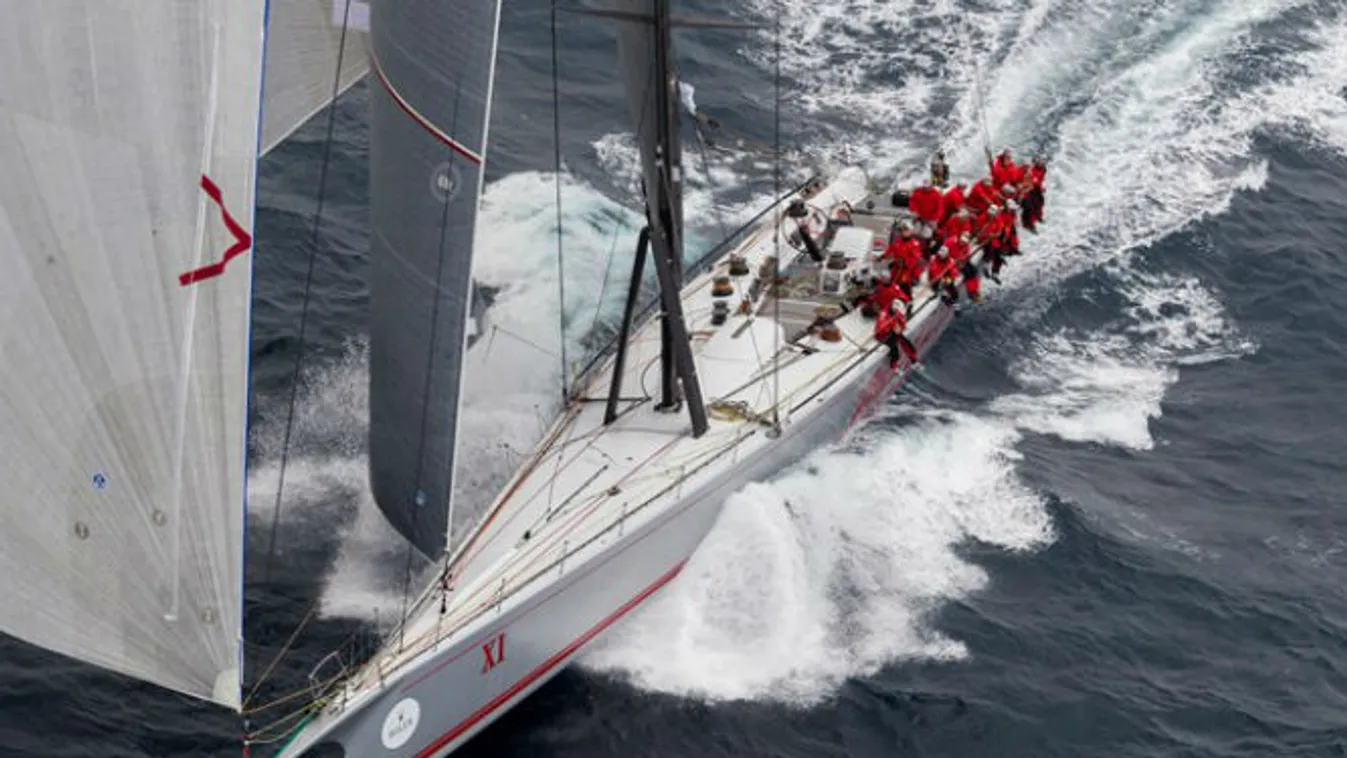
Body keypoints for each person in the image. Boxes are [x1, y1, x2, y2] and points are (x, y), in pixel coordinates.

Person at [874, 300, 918, 369]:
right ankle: (894, 366)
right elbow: (880, 329)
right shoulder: (884, 315)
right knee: (895, 350)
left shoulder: (896, 312)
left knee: (907, 344)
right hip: (884, 336)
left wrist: (899, 328)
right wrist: (892, 327)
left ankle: (914, 361)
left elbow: (901, 323)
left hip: (893, 332)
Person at [1020, 157, 1047, 231]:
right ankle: (1028, 223)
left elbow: (1039, 180)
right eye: (1038, 162)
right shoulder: (1031, 170)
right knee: (1029, 205)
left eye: (1041, 162)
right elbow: (1031, 180)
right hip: (1028, 189)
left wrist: (1041, 187)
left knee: (1041, 200)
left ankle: (1038, 215)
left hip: (1035, 188)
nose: (1040, 163)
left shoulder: (1043, 169)